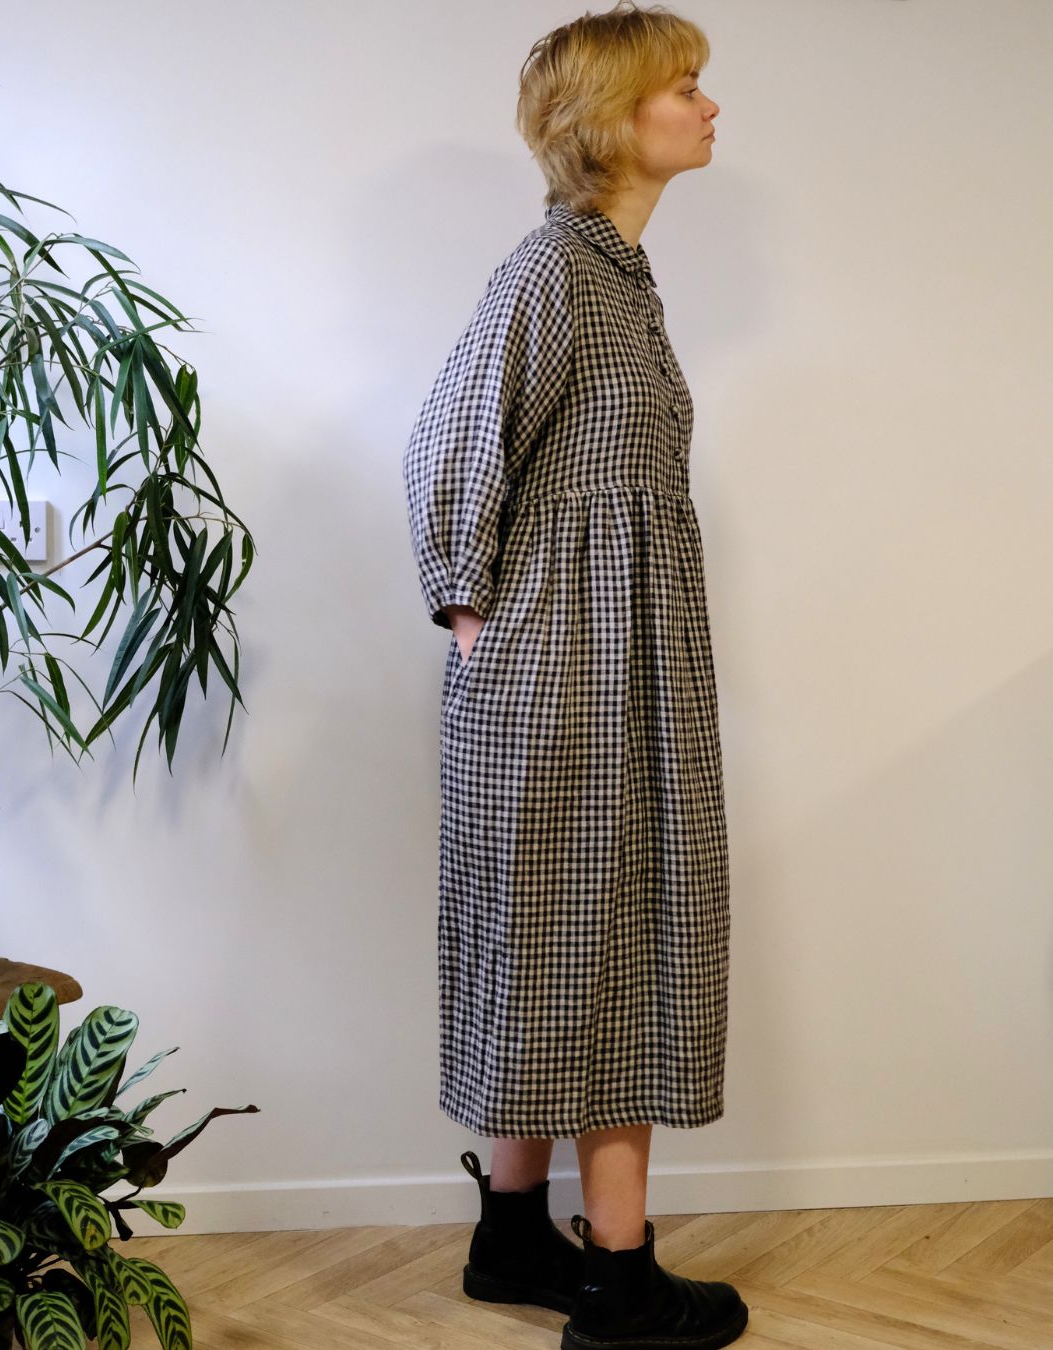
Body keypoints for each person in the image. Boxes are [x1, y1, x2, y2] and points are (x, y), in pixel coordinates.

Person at [402, 3, 747, 1345]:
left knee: (558, 939)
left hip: (610, 661)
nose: (709, 107)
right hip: (568, 673)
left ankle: (510, 1236)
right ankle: (616, 1278)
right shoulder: (555, 269)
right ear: (611, 117)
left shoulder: (617, 276)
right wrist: (473, 616)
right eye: (685, 87)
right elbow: (450, 439)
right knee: (609, 940)